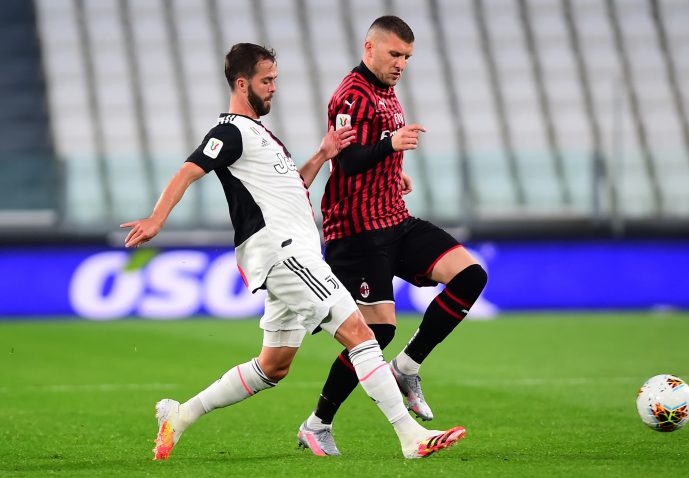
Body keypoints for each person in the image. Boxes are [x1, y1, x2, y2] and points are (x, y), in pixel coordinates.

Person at [121, 42, 466, 460]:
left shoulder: (263, 137)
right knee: (360, 333)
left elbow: (292, 189)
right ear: (242, 83)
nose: (273, 89)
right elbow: (188, 170)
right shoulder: (230, 132)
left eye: (276, 81)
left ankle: (180, 416)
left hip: (292, 253)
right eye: (266, 81)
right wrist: (157, 219)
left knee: (273, 366)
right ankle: (411, 437)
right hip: (283, 254)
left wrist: (322, 154)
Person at [296, 16, 488, 456]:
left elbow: (373, 148)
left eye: (407, 57)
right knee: (375, 333)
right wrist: (390, 148)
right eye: (394, 54)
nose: (401, 63)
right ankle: (317, 424)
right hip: (356, 231)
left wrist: (393, 172)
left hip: (394, 219)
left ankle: (407, 366)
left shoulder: (386, 91)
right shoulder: (351, 94)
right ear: (370, 48)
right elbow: (345, 160)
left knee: (470, 275)